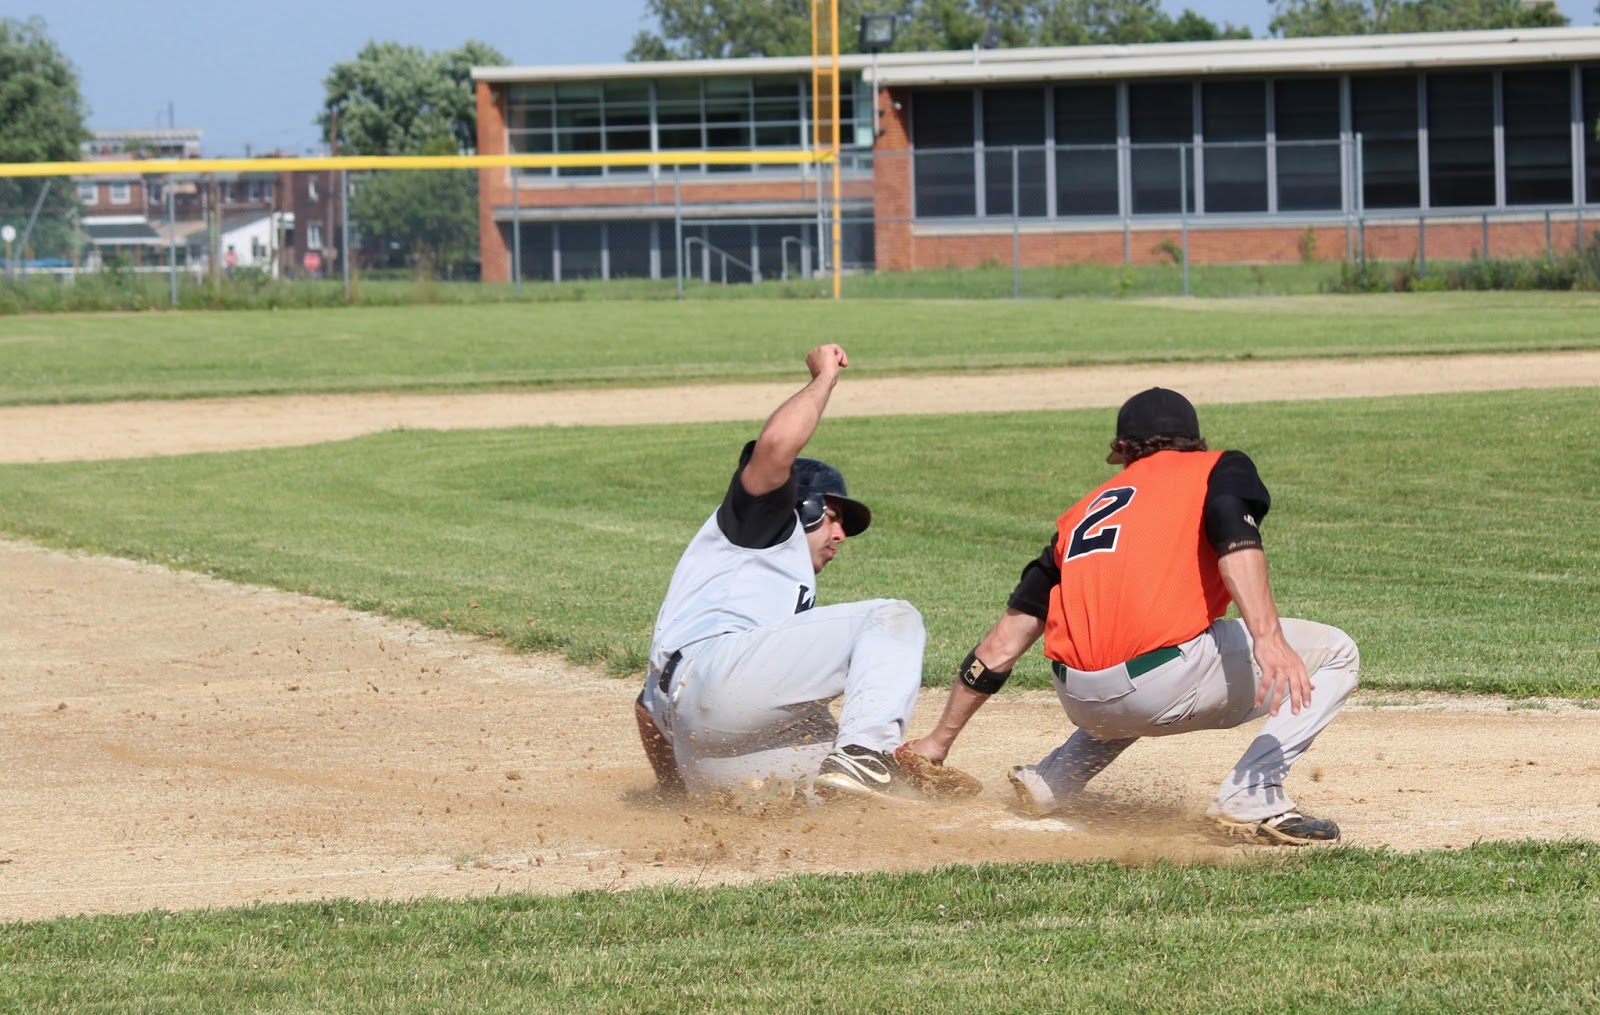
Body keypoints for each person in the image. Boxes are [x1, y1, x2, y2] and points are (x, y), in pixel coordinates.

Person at [905, 387, 1359, 844]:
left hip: (1080, 701)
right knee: (1338, 651)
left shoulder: (1079, 517)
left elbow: (1000, 646)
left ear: (1123, 451)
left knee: (1133, 664)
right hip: (1162, 686)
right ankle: (1253, 796)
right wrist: (1268, 637)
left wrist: (938, 742)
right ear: (1194, 443)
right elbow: (1232, 534)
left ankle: (1053, 781)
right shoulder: (1217, 467)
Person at [635, 344, 972, 803]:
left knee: (847, 799)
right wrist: (824, 377)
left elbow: (646, 709)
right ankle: (864, 753)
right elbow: (775, 447)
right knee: (891, 616)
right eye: (834, 517)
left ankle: (870, 765)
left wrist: (675, 794)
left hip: (702, 736)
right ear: (805, 507)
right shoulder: (763, 523)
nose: (841, 535)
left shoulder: (754, 577)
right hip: (717, 676)